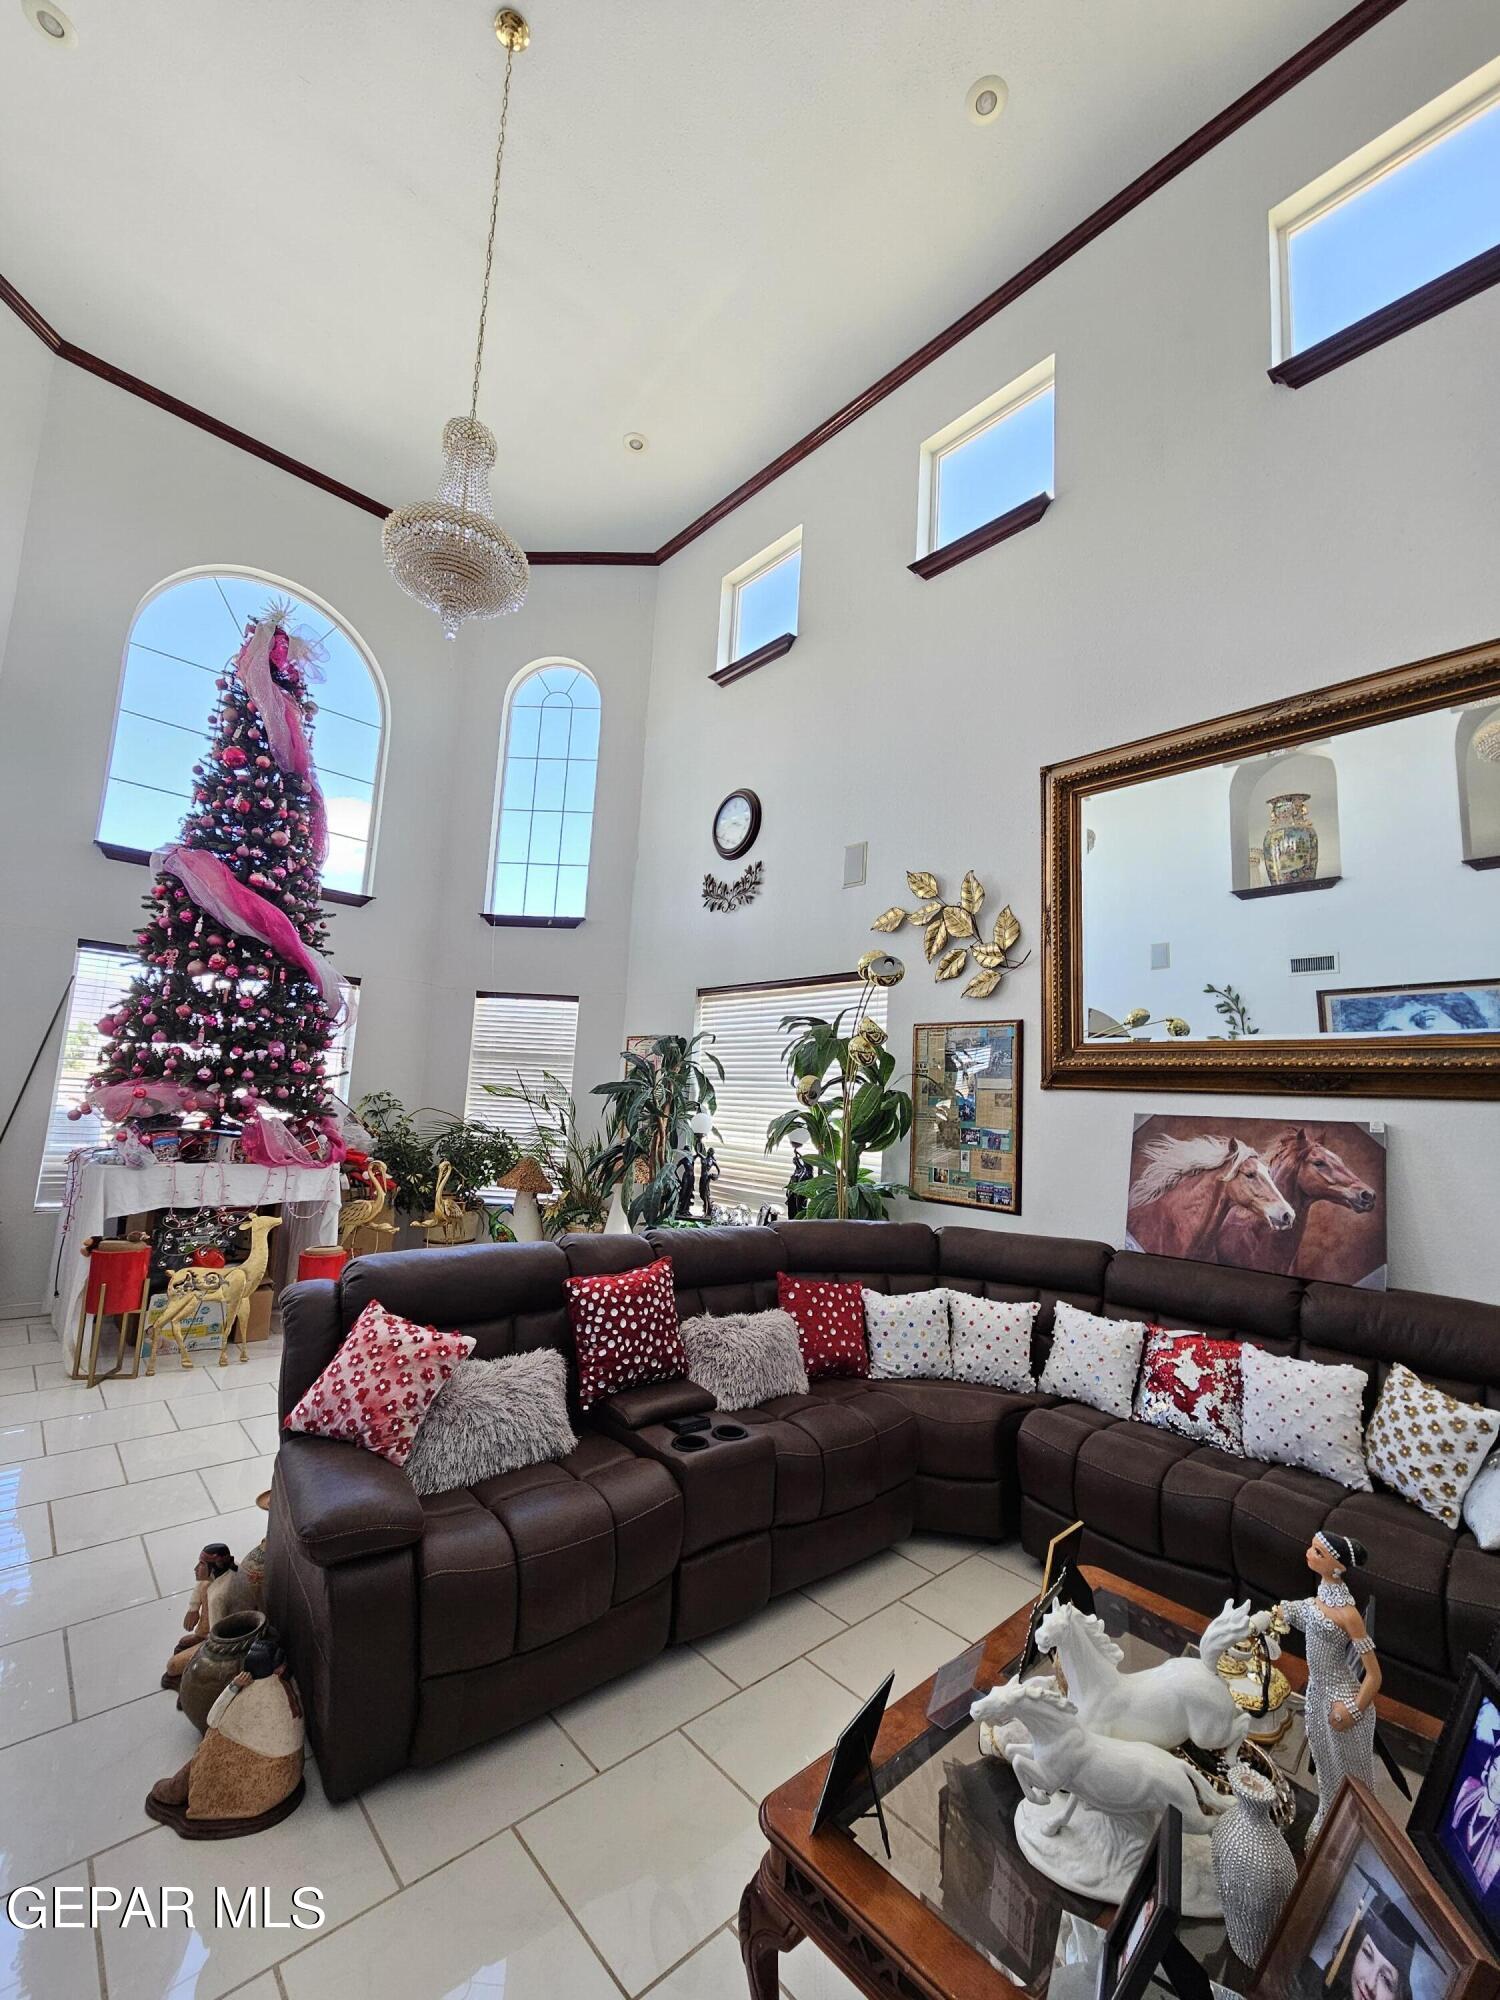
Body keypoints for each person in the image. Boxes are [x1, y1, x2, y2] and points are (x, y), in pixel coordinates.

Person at [1259, 1529, 1381, 1838]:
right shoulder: (1318, 1601)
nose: (1309, 1554)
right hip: (1316, 1694)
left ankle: (1358, 1829)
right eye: (1312, 1549)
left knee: (1350, 1771)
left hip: (1342, 1697)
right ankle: (1328, 1819)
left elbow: (1375, 1676)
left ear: (1336, 1567)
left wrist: (1351, 1709)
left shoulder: (1349, 1615)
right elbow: (1303, 1611)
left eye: (1318, 1552)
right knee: (1325, 1766)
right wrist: (1278, 1614)